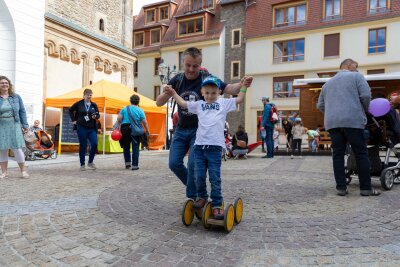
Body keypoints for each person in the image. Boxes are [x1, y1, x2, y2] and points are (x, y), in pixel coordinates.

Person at [156, 47, 253, 200]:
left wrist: (242, 84)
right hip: (181, 129)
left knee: (194, 164)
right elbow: (158, 103)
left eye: (195, 66)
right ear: (183, 63)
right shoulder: (178, 79)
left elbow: (228, 88)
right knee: (174, 163)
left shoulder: (207, 78)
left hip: (199, 131)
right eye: (188, 65)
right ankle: (194, 187)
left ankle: (194, 197)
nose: (191, 69)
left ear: (200, 65)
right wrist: (167, 92)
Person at [167, 75, 250, 219]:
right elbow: (183, 104)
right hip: (199, 147)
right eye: (207, 93)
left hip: (215, 148)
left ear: (219, 92)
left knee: (214, 178)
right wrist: (174, 93)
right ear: (202, 92)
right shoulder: (199, 104)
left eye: (213, 92)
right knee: (198, 176)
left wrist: (244, 86)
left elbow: (240, 99)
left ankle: (217, 204)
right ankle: (202, 197)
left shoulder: (223, 103)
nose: (210, 96)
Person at [317, 58, 380, 196]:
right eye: (356, 67)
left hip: (333, 123)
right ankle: (366, 189)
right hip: (353, 121)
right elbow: (366, 95)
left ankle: (341, 188)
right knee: (361, 153)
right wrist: (363, 110)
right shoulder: (357, 76)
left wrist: (333, 113)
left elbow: (320, 105)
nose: (357, 70)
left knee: (337, 155)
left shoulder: (327, 84)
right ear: (348, 65)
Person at [0, 76, 29, 179]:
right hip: (1, 125)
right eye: (2, 83)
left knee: (17, 149)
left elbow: (22, 111)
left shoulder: (16, 97)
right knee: (2, 149)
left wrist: (25, 125)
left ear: (9, 85)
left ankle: (23, 171)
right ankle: (4, 172)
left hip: (14, 124)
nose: (4, 84)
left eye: (6, 83)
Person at [69, 88, 100, 171]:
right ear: (84, 95)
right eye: (88, 95)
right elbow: (70, 110)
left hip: (91, 128)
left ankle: (90, 162)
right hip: (81, 127)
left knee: (94, 144)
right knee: (83, 145)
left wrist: (95, 116)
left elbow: (98, 115)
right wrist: (73, 120)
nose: (89, 97)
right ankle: (82, 164)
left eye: (90, 95)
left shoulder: (94, 105)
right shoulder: (79, 104)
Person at [117, 94, 150, 170]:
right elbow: (145, 122)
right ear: (138, 102)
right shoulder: (140, 110)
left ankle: (127, 164)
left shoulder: (124, 109)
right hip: (136, 129)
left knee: (126, 146)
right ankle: (135, 165)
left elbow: (119, 119)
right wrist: (147, 131)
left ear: (130, 101)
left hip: (125, 129)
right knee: (135, 147)